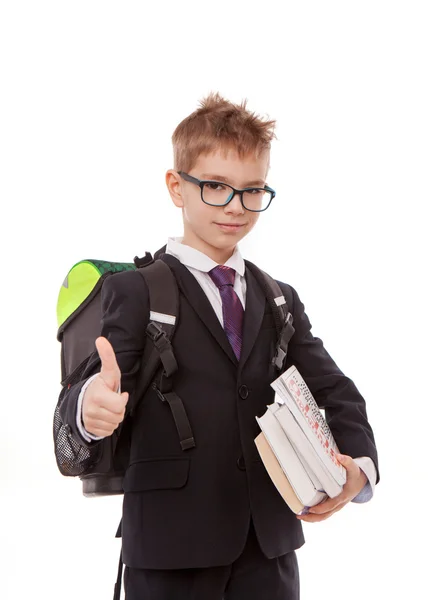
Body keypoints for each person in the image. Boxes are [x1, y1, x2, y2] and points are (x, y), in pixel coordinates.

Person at [59, 92, 379, 599]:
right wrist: (88, 407)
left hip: (269, 549)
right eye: (215, 186)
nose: (236, 207)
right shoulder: (136, 290)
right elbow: (88, 390)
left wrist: (359, 471)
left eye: (252, 190)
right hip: (169, 547)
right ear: (176, 186)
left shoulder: (278, 299)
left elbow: (336, 390)